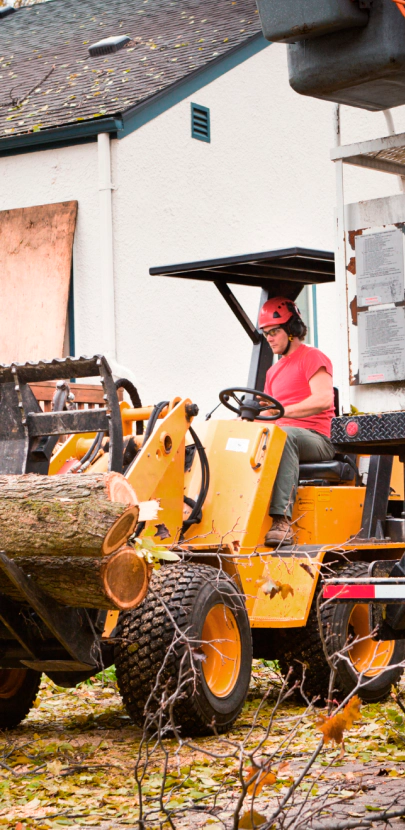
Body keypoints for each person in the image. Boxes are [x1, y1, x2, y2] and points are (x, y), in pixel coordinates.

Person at [259, 297, 335, 546]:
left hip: (318, 439)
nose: (269, 338)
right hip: (283, 436)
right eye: (266, 333)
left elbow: (323, 399)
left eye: (274, 331)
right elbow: (270, 414)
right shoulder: (273, 371)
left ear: (291, 330)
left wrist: (281, 413)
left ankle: (281, 520)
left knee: (284, 436)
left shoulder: (312, 357)